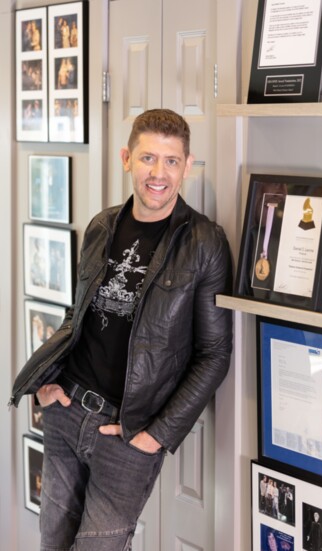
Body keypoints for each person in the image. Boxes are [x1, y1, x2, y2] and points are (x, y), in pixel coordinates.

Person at [9, 108, 233, 551]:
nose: (159, 173)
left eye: (171, 161)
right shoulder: (102, 226)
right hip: (67, 410)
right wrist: (49, 387)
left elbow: (214, 353)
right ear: (126, 158)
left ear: (187, 166)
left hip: (127, 434)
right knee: (52, 542)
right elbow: (78, 318)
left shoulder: (204, 243)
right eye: (148, 158)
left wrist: (157, 435)